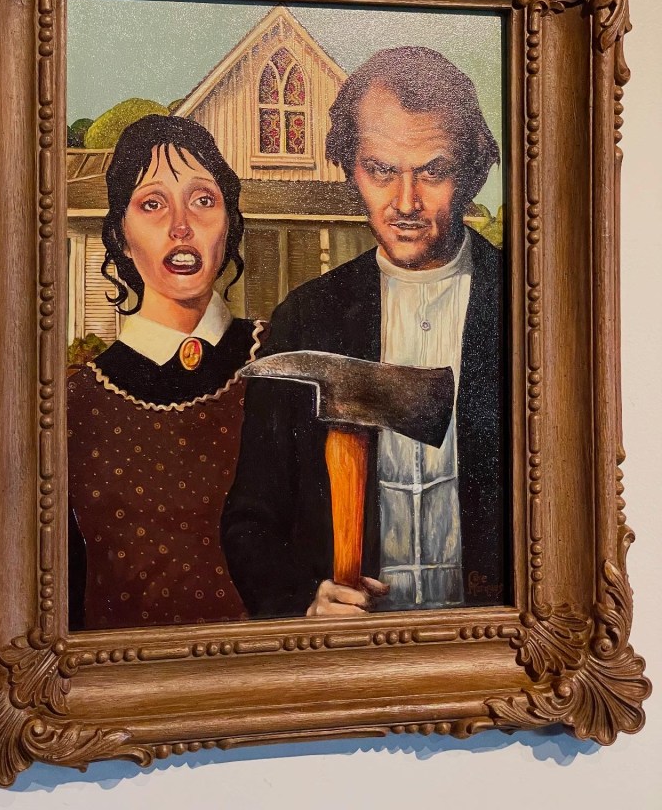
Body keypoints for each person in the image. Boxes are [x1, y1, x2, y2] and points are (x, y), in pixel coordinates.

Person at [222, 46, 508, 619]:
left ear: (472, 171)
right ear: (350, 168)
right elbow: (250, 521)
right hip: (351, 651)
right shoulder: (309, 318)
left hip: (491, 644)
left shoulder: (524, 304)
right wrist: (304, 602)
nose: (405, 202)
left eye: (433, 171)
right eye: (380, 171)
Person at [67, 115, 265, 631]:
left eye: (202, 200)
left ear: (229, 222)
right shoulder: (75, 406)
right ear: (120, 233)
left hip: (266, 666)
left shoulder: (279, 360)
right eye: (152, 204)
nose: (181, 226)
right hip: (127, 673)